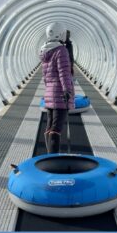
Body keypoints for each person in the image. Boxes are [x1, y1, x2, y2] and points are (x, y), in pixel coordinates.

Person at [39, 23, 74, 153]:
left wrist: (48, 91)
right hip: (60, 94)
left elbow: (45, 76)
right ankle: (53, 160)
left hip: (50, 93)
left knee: (49, 127)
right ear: (60, 34)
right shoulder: (61, 50)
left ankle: (49, 157)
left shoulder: (44, 51)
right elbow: (64, 72)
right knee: (56, 129)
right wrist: (67, 90)